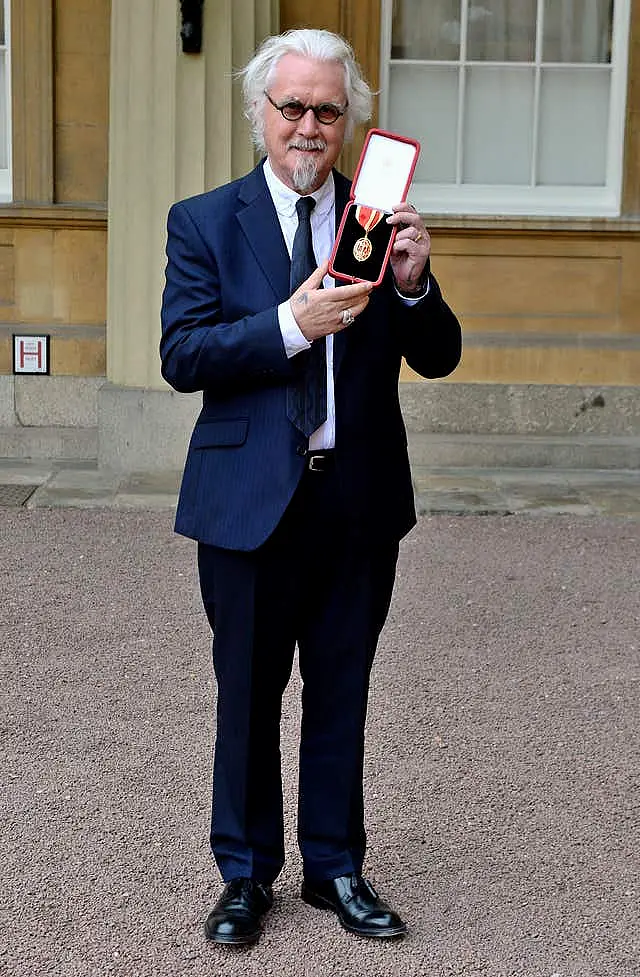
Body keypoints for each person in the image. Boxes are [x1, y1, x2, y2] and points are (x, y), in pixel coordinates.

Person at [160, 28, 462, 946]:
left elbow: (439, 355)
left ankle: (335, 868)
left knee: (341, 690)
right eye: (291, 107)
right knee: (247, 695)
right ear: (260, 113)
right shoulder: (205, 220)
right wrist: (288, 324)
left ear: (348, 123)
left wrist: (413, 287)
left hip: (356, 500)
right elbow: (182, 353)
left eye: (327, 110)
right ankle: (245, 876)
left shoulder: (375, 226)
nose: (308, 126)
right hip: (247, 501)